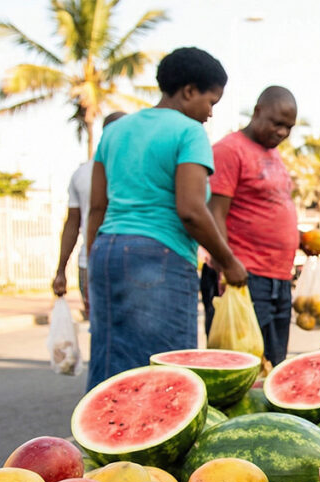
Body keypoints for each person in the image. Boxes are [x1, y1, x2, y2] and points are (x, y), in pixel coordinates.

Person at [85, 47, 247, 390]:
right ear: (189, 91)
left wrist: (91, 260)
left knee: (110, 369)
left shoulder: (116, 130)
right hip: (158, 257)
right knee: (163, 376)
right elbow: (190, 210)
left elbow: (96, 207)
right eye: (211, 102)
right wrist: (227, 261)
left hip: (107, 251)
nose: (210, 114)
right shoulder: (189, 132)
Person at [200, 86, 303, 366]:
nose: (282, 132)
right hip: (244, 277)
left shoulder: (273, 155)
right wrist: (226, 265)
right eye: (277, 123)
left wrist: (298, 238)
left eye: (289, 127)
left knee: (273, 365)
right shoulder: (229, 150)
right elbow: (214, 213)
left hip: (278, 278)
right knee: (242, 369)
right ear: (257, 112)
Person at [52, 111, 126, 316]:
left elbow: (72, 224)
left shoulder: (82, 172)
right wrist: (60, 270)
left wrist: (61, 271)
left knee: (101, 326)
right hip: (125, 261)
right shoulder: (134, 167)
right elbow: (75, 222)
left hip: (91, 260)